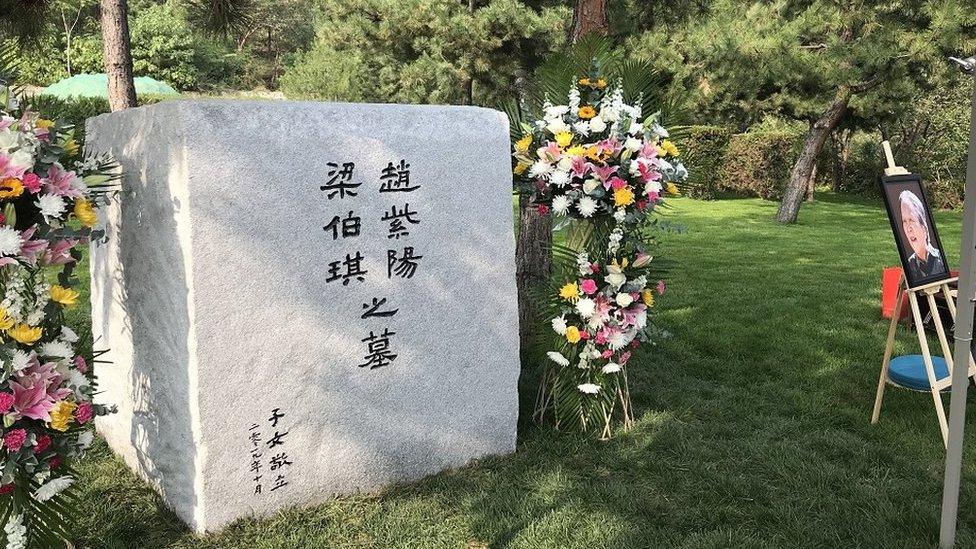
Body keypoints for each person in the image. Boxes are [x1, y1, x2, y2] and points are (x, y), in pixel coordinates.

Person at [899, 189, 946, 282]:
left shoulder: (940, 259)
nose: (908, 228)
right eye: (904, 221)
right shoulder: (909, 265)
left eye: (911, 220)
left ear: (923, 226)